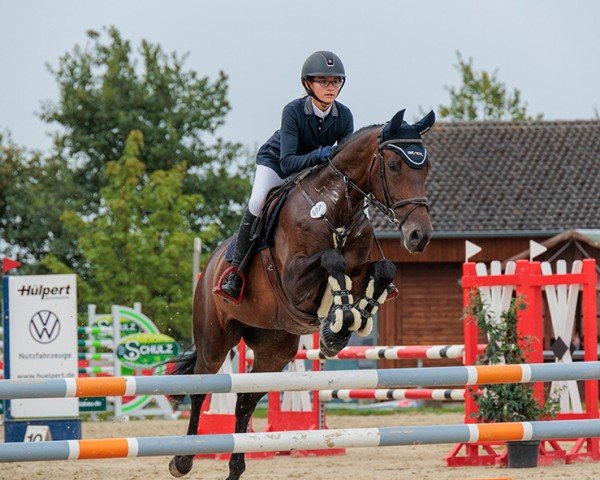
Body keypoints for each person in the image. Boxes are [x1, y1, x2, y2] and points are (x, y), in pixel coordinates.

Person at [214, 50, 354, 303]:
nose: (330, 87)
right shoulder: (293, 111)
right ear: (308, 84)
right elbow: (288, 162)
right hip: (276, 164)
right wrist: (318, 155)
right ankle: (236, 271)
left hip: (313, 172)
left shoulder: (344, 116)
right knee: (257, 202)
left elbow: (341, 164)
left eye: (335, 82)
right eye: (323, 81)